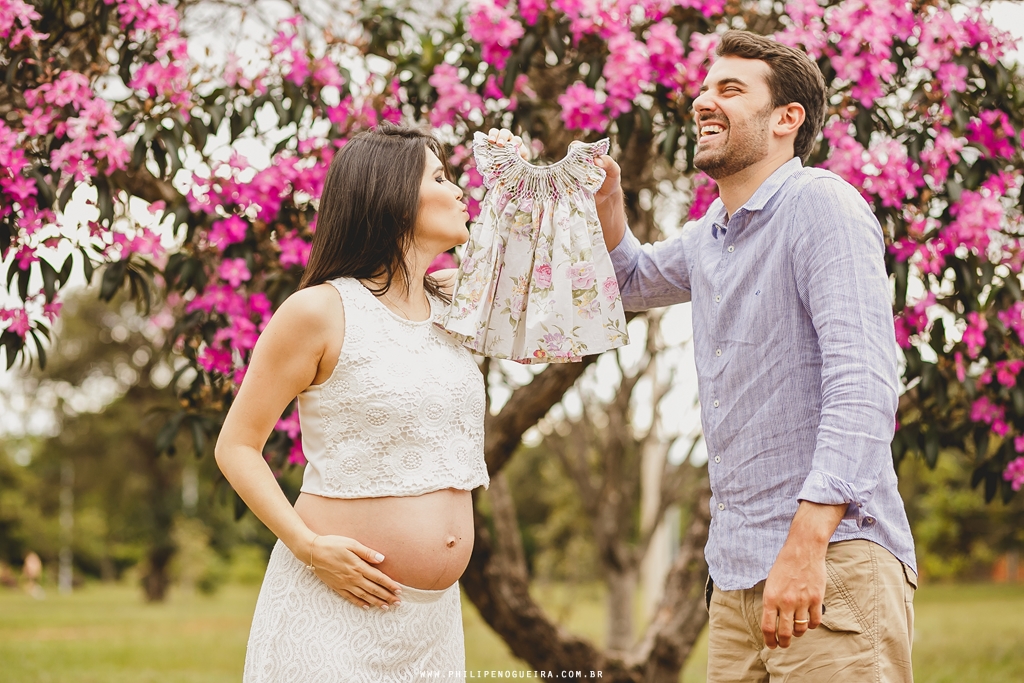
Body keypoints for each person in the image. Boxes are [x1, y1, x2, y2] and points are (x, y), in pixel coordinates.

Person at [595, 29, 916, 683]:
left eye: (730, 89)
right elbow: (626, 281)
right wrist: (606, 199)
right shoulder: (708, 236)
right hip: (736, 581)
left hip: (830, 561)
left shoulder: (820, 205)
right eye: (704, 88)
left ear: (785, 119)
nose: (702, 101)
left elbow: (864, 383)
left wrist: (806, 544)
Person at [215, 123, 489, 682]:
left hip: (433, 628)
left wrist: (588, 190)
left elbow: (568, 285)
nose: (461, 191)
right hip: (333, 613)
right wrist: (309, 547)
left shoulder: (455, 301)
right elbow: (236, 446)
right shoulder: (318, 311)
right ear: (391, 195)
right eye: (440, 178)